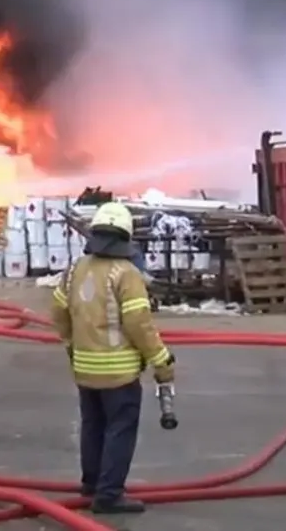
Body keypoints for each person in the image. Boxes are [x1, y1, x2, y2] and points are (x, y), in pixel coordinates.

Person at [50, 201, 174, 516]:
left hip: (84, 368)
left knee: (93, 426)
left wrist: (70, 343)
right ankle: (109, 495)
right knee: (120, 429)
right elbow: (139, 324)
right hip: (119, 374)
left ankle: (92, 484)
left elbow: (58, 311)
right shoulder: (127, 273)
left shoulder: (75, 269)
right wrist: (161, 360)